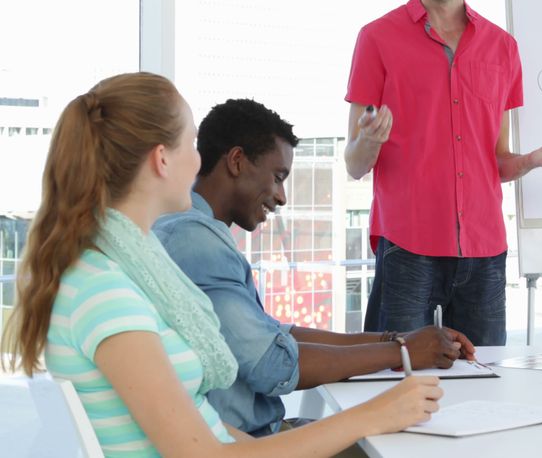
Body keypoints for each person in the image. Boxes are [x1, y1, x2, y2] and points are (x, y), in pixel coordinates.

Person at [1, 73, 442, 457]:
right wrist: (376, 414)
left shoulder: (128, 275)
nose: (199, 160)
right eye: (191, 144)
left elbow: (214, 438)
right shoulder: (109, 295)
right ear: (162, 159)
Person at [152, 98, 474, 437]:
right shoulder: (194, 242)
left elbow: (273, 335)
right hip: (256, 441)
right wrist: (403, 351)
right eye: (277, 177)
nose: (281, 197)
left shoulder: (194, 230)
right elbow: (272, 364)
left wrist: (396, 339)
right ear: (236, 161)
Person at [344, 0, 542, 346]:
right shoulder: (376, 38)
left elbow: (497, 161)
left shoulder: (502, 48)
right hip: (407, 246)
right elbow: (354, 165)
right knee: (393, 376)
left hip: (484, 251)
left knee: (487, 380)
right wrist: (368, 141)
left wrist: (531, 161)